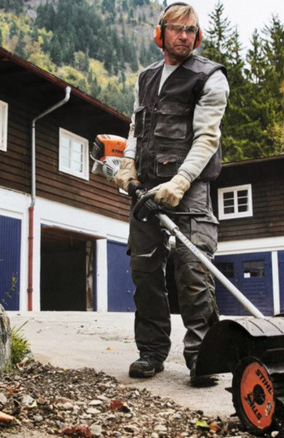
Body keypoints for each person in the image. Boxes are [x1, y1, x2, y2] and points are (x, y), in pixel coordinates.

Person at [113, 2, 229, 386]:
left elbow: (207, 138)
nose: (185, 36)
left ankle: (202, 358)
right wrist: (127, 164)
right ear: (160, 33)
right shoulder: (146, 77)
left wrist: (179, 183)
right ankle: (151, 352)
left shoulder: (210, 77)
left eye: (191, 30)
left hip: (189, 189)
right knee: (145, 271)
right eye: (177, 29)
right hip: (145, 189)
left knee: (193, 272)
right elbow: (136, 126)